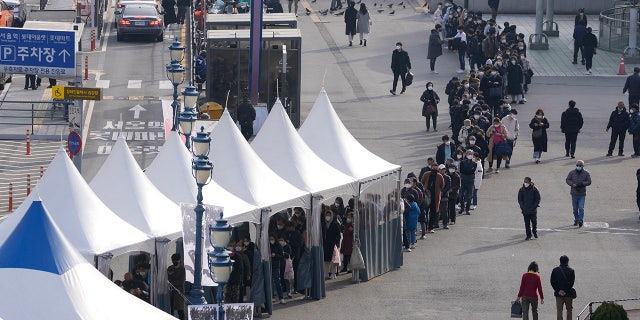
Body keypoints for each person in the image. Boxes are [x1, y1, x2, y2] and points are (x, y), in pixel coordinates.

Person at [566, 160, 591, 228]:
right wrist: (572, 184)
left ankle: (580, 220)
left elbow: (589, 182)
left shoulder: (586, 173)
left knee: (581, 207)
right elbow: (567, 180)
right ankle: (576, 220)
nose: (578, 167)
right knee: (575, 209)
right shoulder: (572, 172)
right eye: (577, 165)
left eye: (580, 165)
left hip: (582, 193)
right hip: (574, 193)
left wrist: (582, 184)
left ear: (582, 166)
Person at [420, 163, 444, 233]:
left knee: (433, 212)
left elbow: (442, 185)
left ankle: (430, 227)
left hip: (435, 197)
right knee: (425, 212)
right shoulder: (426, 174)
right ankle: (424, 226)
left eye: (436, 168)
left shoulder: (439, 176)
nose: (435, 169)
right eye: (434, 168)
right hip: (427, 196)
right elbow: (422, 182)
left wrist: (437, 190)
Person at [550, 255, 576, 320]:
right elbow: (571, 283)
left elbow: (552, 282)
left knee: (559, 310)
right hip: (568, 294)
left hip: (558, 294)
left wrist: (558, 290)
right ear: (568, 261)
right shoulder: (571, 270)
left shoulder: (555, 270)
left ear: (560, 261)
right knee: (569, 310)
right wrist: (566, 291)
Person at [322, 210, 342, 279]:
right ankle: (326, 273)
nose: (327, 217)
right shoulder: (323, 224)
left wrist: (336, 243)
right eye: (326, 215)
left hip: (333, 245)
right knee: (326, 260)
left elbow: (338, 235)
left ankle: (333, 273)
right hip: (325, 245)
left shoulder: (335, 224)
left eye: (329, 215)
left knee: (333, 260)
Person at [459, 149, 477, 215]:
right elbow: (462, 171)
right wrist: (468, 171)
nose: (470, 155)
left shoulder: (474, 164)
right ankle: (462, 208)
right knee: (461, 195)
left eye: (471, 154)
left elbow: (472, 171)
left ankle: (467, 209)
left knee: (469, 196)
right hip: (463, 181)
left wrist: (467, 171)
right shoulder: (462, 162)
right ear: (466, 155)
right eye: (468, 154)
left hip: (470, 181)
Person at [168, 254, 186, 319]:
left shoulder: (182, 269)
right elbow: (167, 278)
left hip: (179, 292)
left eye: (175, 260)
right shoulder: (170, 268)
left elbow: (181, 281)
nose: (174, 262)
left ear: (179, 260)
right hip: (170, 291)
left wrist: (172, 282)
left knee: (180, 310)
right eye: (173, 260)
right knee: (170, 309)